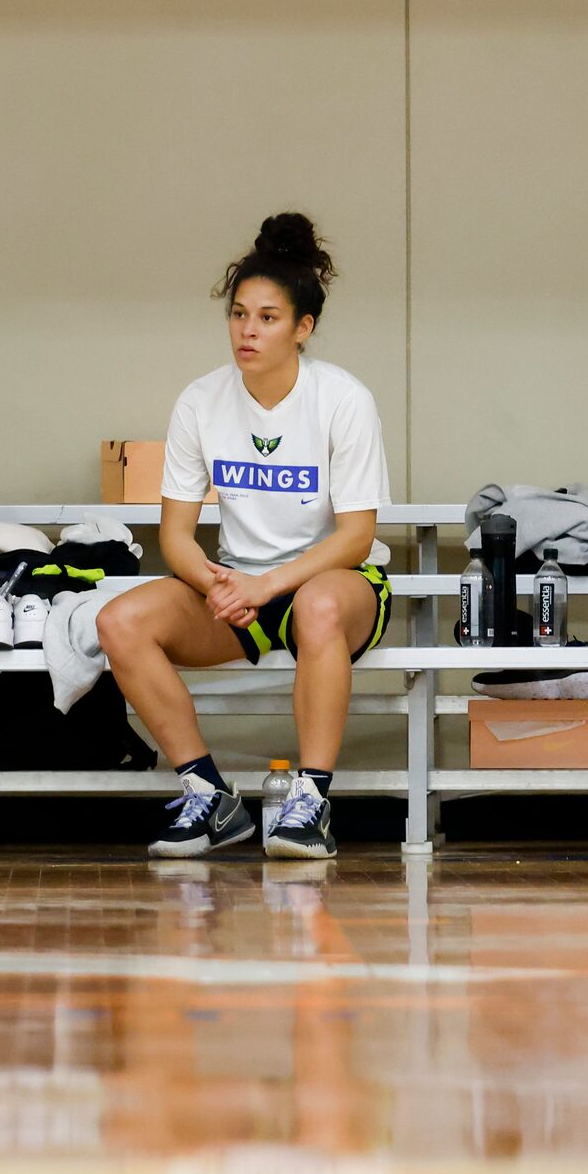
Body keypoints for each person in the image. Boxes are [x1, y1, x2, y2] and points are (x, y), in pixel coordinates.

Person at [97, 214, 392, 861]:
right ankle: (208, 797)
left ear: (302, 328)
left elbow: (357, 537)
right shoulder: (200, 401)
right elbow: (176, 535)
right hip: (238, 587)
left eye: (266, 318)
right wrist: (218, 585)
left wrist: (265, 584)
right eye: (238, 315)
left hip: (337, 587)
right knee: (120, 621)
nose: (247, 331)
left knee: (316, 606)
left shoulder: (343, 399)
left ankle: (309, 803)